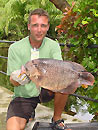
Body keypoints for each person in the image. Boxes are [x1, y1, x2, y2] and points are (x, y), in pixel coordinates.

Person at [6, 8, 72, 130]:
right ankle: (29, 112)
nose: (39, 30)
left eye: (43, 26)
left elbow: (60, 70)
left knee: (66, 82)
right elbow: (13, 82)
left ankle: (57, 119)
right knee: (13, 128)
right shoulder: (14, 48)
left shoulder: (53, 45)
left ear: (47, 27)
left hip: (47, 89)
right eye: (35, 25)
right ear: (29, 26)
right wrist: (18, 78)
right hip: (24, 94)